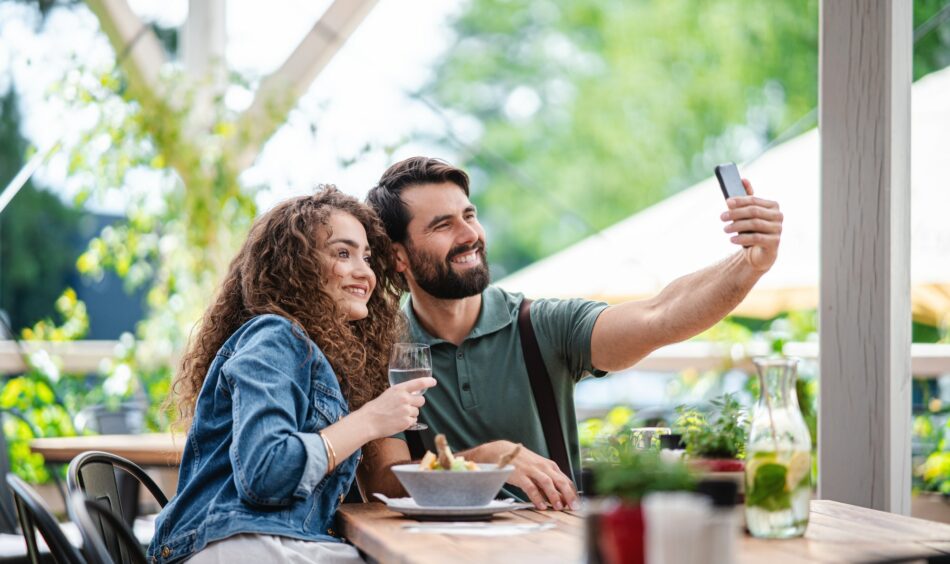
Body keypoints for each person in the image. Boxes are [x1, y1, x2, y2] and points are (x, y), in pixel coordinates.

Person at [361, 157, 783, 511]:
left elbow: (660, 315)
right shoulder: (380, 350)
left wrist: (750, 265)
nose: (470, 234)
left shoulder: (540, 326)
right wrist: (484, 461)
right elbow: (383, 483)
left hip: (552, 547)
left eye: (469, 215)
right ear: (398, 256)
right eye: (443, 225)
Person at [148, 186, 436, 563]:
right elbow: (266, 473)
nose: (364, 272)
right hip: (236, 546)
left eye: (366, 257)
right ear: (296, 264)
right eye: (343, 253)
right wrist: (370, 421)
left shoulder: (310, 352)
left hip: (275, 543)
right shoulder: (275, 337)